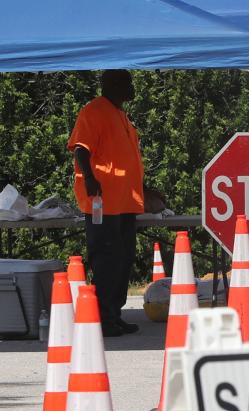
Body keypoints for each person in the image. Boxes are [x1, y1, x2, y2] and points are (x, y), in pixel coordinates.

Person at [68, 69, 144, 336]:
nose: (131, 87)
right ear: (111, 84)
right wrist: (89, 177)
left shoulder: (121, 115)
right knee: (107, 258)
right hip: (103, 201)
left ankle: (114, 313)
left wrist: (146, 189)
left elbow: (124, 160)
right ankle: (102, 317)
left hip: (125, 201)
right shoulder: (94, 111)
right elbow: (80, 149)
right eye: (127, 82)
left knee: (123, 258)